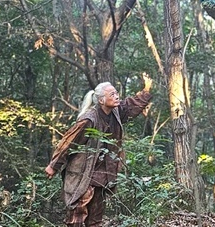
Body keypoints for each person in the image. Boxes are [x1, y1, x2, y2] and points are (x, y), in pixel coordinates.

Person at [45, 74, 153, 227]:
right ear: (101, 100)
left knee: (95, 220)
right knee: (76, 216)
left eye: (116, 93)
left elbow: (130, 105)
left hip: (103, 175)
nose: (117, 96)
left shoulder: (116, 112)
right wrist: (53, 166)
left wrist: (146, 91)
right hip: (83, 174)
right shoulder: (89, 119)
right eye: (112, 94)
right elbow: (68, 142)